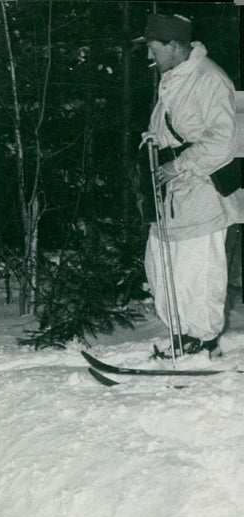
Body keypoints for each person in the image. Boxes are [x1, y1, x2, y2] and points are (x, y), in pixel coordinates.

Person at [136, 14, 239, 357]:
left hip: (199, 190)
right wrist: (154, 140)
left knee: (198, 269)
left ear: (174, 46)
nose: (149, 57)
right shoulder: (173, 78)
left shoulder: (209, 80)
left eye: (153, 49)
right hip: (171, 193)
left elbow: (223, 140)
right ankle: (182, 337)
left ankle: (203, 340)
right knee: (162, 265)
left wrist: (178, 164)